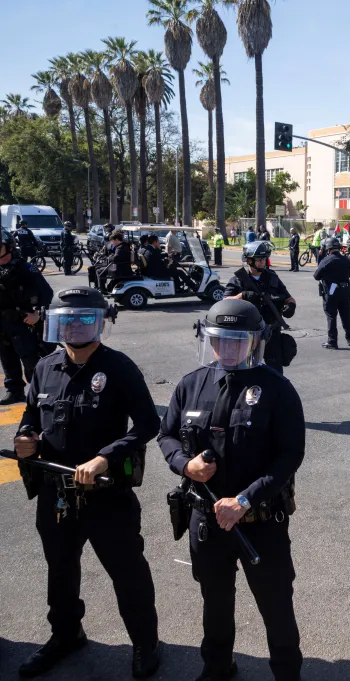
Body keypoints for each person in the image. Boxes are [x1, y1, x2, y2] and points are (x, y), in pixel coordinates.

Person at [13, 287, 161, 679]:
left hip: (105, 493)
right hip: (56, 492)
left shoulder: (119, 367)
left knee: (127, 571)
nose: (75, 328)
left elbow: (149, 423)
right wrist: (25, 438)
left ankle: (146, 642)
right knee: (59, 570)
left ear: (100, 323)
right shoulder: (46, 366)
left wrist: (105, 457)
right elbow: (31, 415)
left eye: (84, 320)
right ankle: (65, 635)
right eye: (68, 320)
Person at [158, 298, 305, 681]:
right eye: (219, 340)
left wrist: (244, 499)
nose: (226, 349)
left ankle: (287, 673)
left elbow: (289, 456)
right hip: (206, 521)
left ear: (255, 342)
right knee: (216, 603)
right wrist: (184, 464)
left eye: (236, 341)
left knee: (276, 606)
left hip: (259, 521)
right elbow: (167, 435)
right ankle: (218, 667)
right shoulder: (192, 383)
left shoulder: (277, 389)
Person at [224, 241, 296, 374]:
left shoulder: (273, 278)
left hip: (271, 331)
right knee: (246, 371)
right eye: (259, 259)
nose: (263, 262)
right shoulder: (238, 280)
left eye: (264, 259)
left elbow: (289, 298)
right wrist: (243, 296)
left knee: (275, 372)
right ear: (249, 260)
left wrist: (291, 306)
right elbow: (224, 302)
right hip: (248, 333)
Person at [0, 231, 53, 405]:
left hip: (25, 321)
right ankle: (15, 391)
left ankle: (40, 392)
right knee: (7, 358)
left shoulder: (25, 269)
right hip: (3, 322)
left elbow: (46, 292)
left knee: (31, 359)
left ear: (9, 247)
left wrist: (37, 313)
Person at [314, 237, 350, 349]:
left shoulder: (326, 260)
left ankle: (332, 341)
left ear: (328, 248)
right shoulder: (346, 259)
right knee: (346, 315)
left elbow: (316, 276)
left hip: (332, 289)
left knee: (331, 316)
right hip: (345, 289)